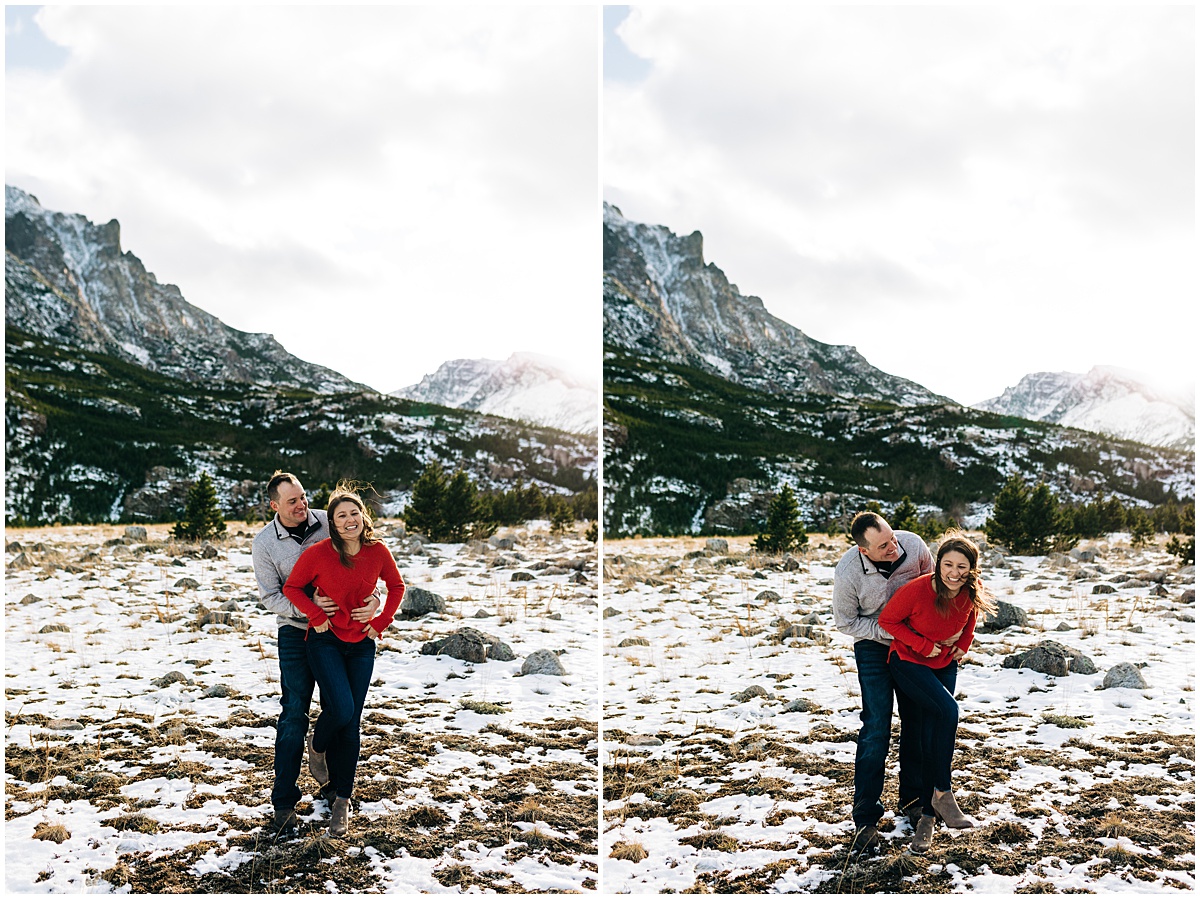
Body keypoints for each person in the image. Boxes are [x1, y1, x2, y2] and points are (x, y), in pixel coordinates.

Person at [252, 471, 380, 837]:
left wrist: (375, 602)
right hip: (296, 633)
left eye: (303, 496)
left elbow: (367, 563)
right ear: (274, 505)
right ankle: (284, 802)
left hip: (340, 634)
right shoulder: (264, 544)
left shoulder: (331, 521)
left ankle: (336, 788)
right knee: (294, 712)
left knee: (341, 711)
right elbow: (270, 596)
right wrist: (310, 609)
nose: (301, 505)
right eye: (291, 501)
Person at [283, 486, 405, 837]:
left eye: (354, 513)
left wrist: (380, 622)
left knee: (352, 723)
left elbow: (396, 587)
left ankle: (342, 802)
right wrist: (315, 614)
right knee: (341, 709)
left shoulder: (378, 551)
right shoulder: (319, 553)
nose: (349, 520)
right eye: (341, 516)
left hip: (362, 643)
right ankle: (317, 745)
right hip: (325, 641)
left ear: (363, 516)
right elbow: (292, 588)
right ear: (332, 524)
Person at [878, 531, 996, 854]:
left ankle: (928, 817)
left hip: (944, 663)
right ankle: (943, 793)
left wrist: (962, 646)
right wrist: (924, 645)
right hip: (908, 661)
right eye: (948, 564)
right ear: (938, 563)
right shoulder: (916, 590)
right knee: (948, 711)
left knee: (933, 732)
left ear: (972, 569)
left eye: (962, 567)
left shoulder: (971, 591)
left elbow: (971, 619)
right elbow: (888, 620)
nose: (954, 573)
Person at [831, 511, 933, 855]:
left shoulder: (915, 546)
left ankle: (914, 801)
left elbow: (934, 593)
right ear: (863, 551)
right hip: (874, 645)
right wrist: (886, 633)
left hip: (913, 645)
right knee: (876, 725)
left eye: (892, 537)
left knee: (917, 720)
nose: (893, 547)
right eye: (882, 546)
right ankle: (866, 819)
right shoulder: (848, 572)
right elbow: (846, 621)